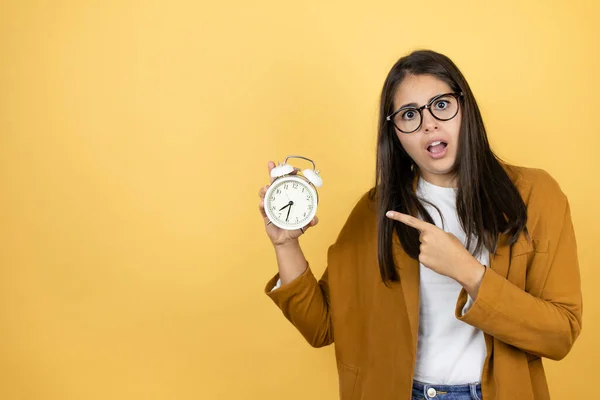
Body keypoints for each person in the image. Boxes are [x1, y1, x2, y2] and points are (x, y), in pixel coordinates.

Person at [257, 49, 582, 400]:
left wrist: (469, 272)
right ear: (394, 132)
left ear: (465, 107)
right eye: (409, 114)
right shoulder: (376, 211)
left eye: (441, 105)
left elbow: (559, 334)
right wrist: (285, 244)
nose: (429, 123)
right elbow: (321, 326)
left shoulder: (535, 195)